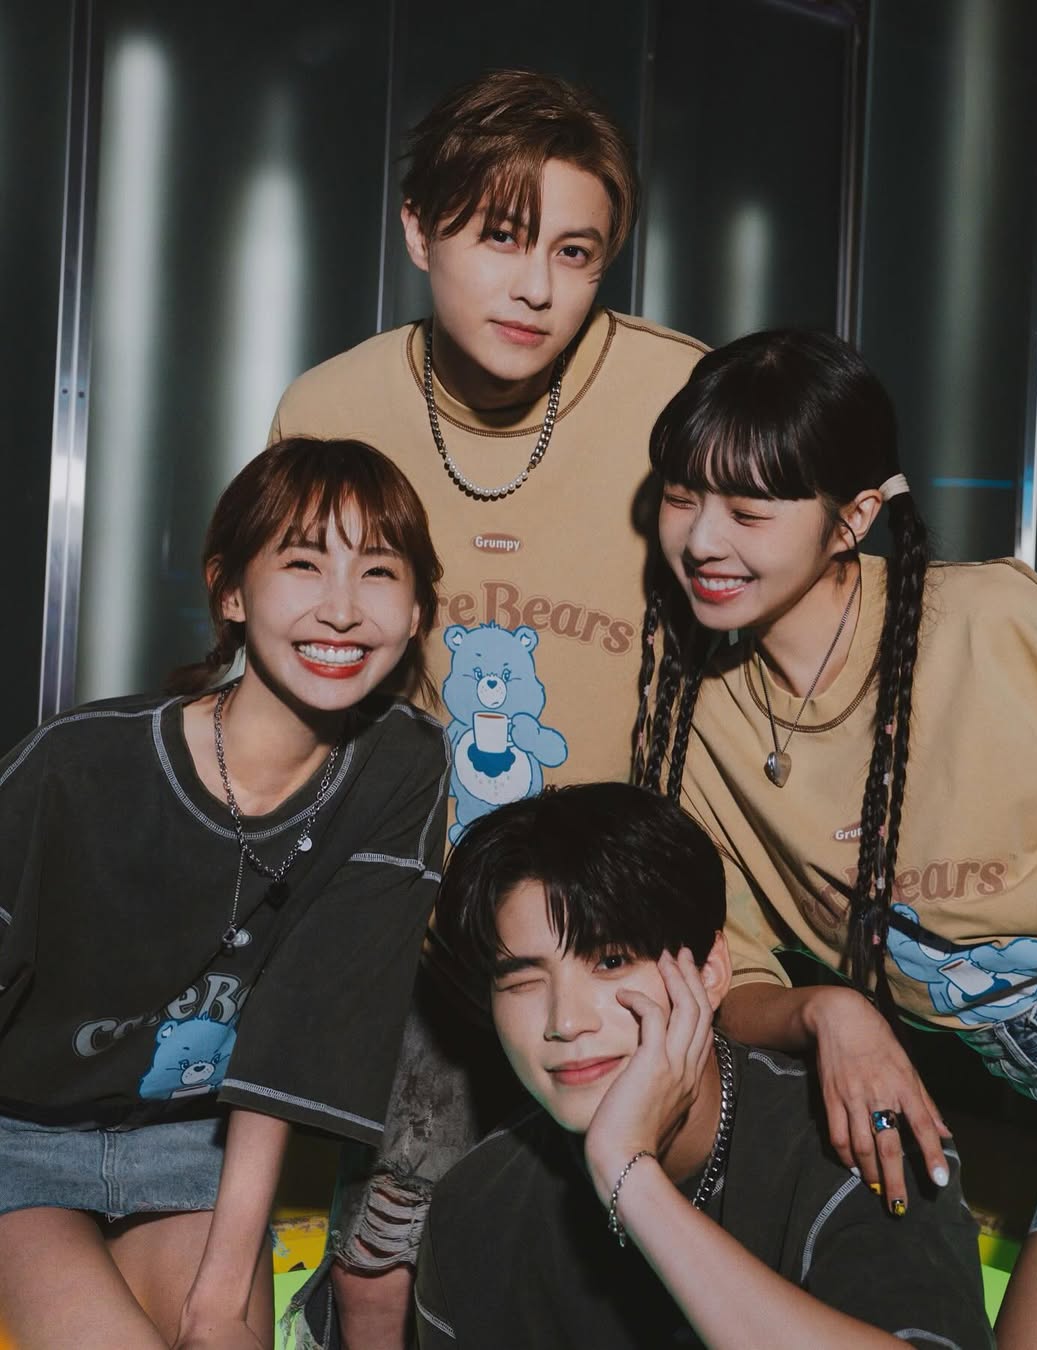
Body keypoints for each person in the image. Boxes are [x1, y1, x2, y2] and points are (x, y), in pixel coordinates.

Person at [271, 68, 708, 1348]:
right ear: (418, 229)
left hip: (626, 918)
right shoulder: (331, 409)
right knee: (386, 1258)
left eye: (574, 252)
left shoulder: (675, 396)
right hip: (416, 912)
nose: (536, 288)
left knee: (600, 1268)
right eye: (501, 238)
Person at [635, 327, 1037, 1349]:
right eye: (681, 497)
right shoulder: (697, 725)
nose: (703, 541)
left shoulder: (988, 622)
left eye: (750, 511)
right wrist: (827, 1011)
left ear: (857, 517)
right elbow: (729, 975)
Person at [0, 437, 448, 1349]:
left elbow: (304, 1032)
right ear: (232, 591)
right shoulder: (82, 764)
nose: (341, 608)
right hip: (21, 1137)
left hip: (194, 1144)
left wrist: (215, 1305)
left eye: (377, 571)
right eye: (303, 563)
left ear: (415, 611)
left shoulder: (402, 764)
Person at [416, 782, 992, 1349]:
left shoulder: (859, 1134)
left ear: (711, 971)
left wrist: (628, 1175)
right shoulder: (474, 1209)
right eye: (521, 980)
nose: (565, 1021)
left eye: (611, 961)